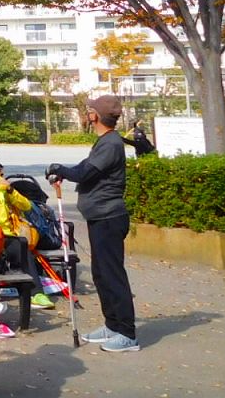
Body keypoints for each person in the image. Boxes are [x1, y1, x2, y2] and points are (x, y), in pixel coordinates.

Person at [47, 94, 139, 352]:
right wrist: (63, 170)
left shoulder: (111, 144)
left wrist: (62, 170)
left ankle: (128, 334)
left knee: (112, 275)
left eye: (90, 110)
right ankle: (113, 325)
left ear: (95, 116)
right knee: (101, 274)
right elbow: (85, 166)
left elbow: (85, 172)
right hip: (100, 217)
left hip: (109, 217)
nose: (88, 112)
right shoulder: (105, 141)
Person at [0, 156, 54, 310]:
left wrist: (9, 189)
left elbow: (26, 206)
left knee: (23, 248)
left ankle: (37, 293)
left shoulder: (5, 189)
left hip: (7, 236)